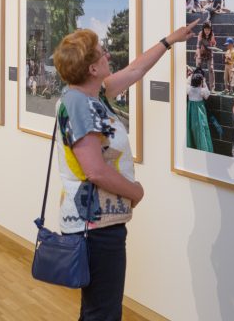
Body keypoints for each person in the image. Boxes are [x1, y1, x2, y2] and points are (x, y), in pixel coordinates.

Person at [52, 20, 197, 319]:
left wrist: (170, 40)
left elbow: (135, 70)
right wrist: (137, 192)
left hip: (97, 223)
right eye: (101, 52)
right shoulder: (80, 105)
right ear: (91, 68)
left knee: (98, 309)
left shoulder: (93, 95)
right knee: (103, 312)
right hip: (94, 227)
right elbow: (95, 171)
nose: (107, 54)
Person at [187, 72, 214, 152]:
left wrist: (190, 76)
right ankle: (204, 148)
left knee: (191, 127)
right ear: (200, 82)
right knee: (202, 128)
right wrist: (205, 83)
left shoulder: (188, 89)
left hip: (191, 110)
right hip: (199, 111)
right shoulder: (202, 90)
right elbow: (207, 95)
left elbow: (186, 83)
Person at [195, 21, 217, 91]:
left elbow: (214, 43)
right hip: (200, 53)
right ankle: (198, 86)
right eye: (205, 29)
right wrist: (198, 57)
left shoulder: (212, 34)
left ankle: (212, 88)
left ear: (210, 30)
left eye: (208, 29)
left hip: (209, 53)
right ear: (203, 29)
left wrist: (213, 46)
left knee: (211, 68)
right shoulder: (200, 34)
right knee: (198, 69)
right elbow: (198, 46)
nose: (207, 31)